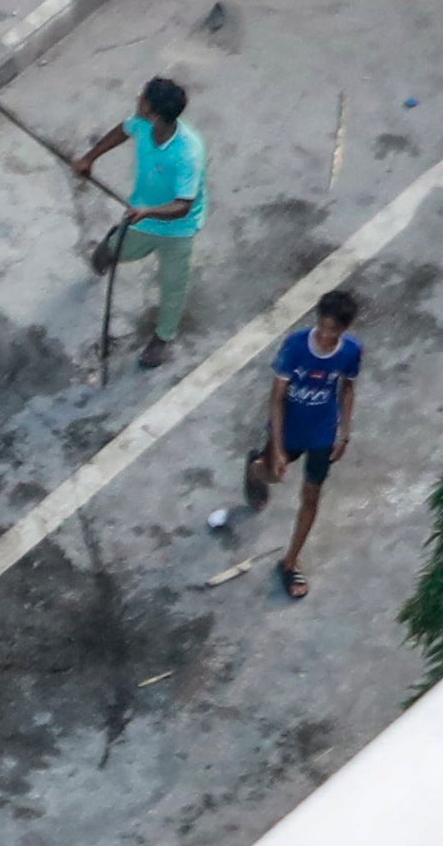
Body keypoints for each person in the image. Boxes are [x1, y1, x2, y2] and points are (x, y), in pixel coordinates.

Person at [217, 280, 370, 598]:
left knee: (311, 497)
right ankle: (256, 468)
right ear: (318, 320)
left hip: (322, 432)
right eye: (324, 327)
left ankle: (289, 564)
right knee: (273, 475)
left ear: (345, 328)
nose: (327, 336)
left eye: (335, 331)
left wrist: (345, 432)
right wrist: (277, 445)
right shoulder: (296, 346)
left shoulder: (351, 351)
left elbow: (348, 388)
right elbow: (277, 398)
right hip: (289, 428)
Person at [79, 75, 209, 352]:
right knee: (113, 252)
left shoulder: (189, 152)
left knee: (173, 286)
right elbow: (122, 131)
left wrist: (148, 211)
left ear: (153, 110)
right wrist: (90, 158)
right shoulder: (142, 124)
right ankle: (110, 248)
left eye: (143, 97)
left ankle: (163, 337)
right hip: (141, 217)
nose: (138, 99)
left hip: (177, 230)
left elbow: (183, 205)